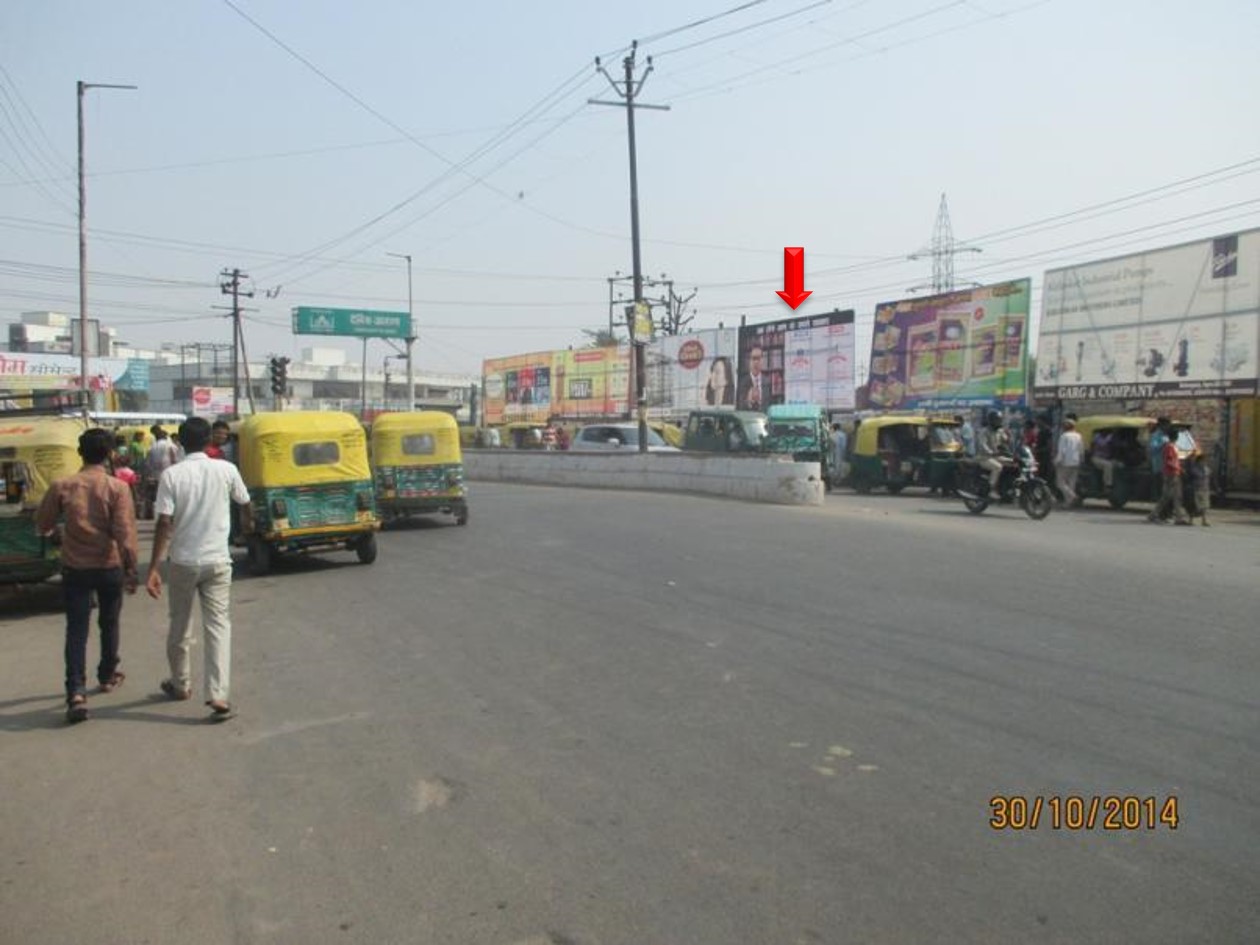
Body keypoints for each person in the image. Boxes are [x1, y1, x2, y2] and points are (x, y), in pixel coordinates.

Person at [145, 417, 253, 719]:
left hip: (183, 561)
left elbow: (164, 522)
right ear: (209, 440)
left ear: (180, 441)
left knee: (179, 624)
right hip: (218, 560)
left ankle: (180, 683)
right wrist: (246, 526)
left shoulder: (172, 475)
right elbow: (245, 501)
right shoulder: (227, 469)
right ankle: (218, 695)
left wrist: (153, 567)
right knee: (218, 626)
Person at [34, 428, 140, 723]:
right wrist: (132, 569)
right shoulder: (117, 488)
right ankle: (107, 675)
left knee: (76, 630)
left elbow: (42, 524)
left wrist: (58, 531)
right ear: (109, 455)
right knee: (109, 622)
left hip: (75, 568)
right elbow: (125, 533)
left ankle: (76, 692)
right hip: (109, 566)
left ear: (80, 453)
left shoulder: (62, 485)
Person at [1148, 430, 1190, 525]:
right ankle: (1156, 515)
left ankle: (1177, 517)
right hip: (1171, 474)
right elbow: (1169, 461)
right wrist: (1179, 468)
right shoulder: (1169, 447)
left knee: (1175, 496)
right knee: (1170, 496)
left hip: (1174, 473)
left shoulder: (1172, 447)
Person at [142, 426, 179, 520]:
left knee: (158, 495)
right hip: (170, 473)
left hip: (155, 475)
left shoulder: (152, 447)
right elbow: (174, 459)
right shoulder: (170, 445)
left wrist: (148, 475)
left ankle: (155, 515)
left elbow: (147, 463)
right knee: (171, 496)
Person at [976, 410, 1010, 494]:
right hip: (984, 457)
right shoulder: (984, 431)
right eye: (996, 420)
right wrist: (991, 452)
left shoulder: (1000, 431)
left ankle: (1006, 487)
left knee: (1014, 463)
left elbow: (1005, 441)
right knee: (997, 467)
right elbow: (982, 444)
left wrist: (1008, 438)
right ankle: (991, 489)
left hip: (997, 456)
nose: (998, 422)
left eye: (1000, 420)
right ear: (991, 420)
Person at [1054, 418, 1083, 509]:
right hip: (1076, 461)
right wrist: (1081, 460)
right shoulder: (1078, 436)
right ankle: (1068, 503)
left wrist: (1057, 461)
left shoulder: (1064, 436)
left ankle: (1073, 496)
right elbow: (1081, 450)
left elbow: (1062, 450)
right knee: (1071, 483)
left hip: (1065, 462)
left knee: (1060, 483)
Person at [736, 345, 771, 410]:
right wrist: (748, 401)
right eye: (753, 358)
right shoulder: (742, 383)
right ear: (749, 361)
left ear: (763, 361)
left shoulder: (767, 381)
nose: (756, 362)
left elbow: (770, 405)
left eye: (758, 358)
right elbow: (739, 407)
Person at [1186, 451, 1211, 526]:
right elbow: (1189, 474)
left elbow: (1211, 478)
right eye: (1203, 461)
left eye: (1205, 461)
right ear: (1199, 461)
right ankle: (1190, 520)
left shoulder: (1207, 469)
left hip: (1205, 489)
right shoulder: (1194, 469)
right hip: (1196, 489)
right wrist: (1190, 458)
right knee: (1195, 506)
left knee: (1204, 506)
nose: (1204, 462)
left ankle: (1204, 520)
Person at [1090, 428, 1117, 495]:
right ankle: (1107, 485)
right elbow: (1092, 447)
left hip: (1107, 458)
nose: (1105, 431)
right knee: (1108, 465)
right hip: (1097, 457)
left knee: (1118, 464)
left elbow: (1112, 448)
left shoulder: (1110, 437)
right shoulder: (1097, 437)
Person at [831, 422, 848, 487]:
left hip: (833, 453)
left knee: (834, 466)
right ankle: (838, 481)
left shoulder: (832, 435)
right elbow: (844, 445)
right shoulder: (842, 435)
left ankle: (834, 480)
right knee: (839, 466)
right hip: (840, 452)